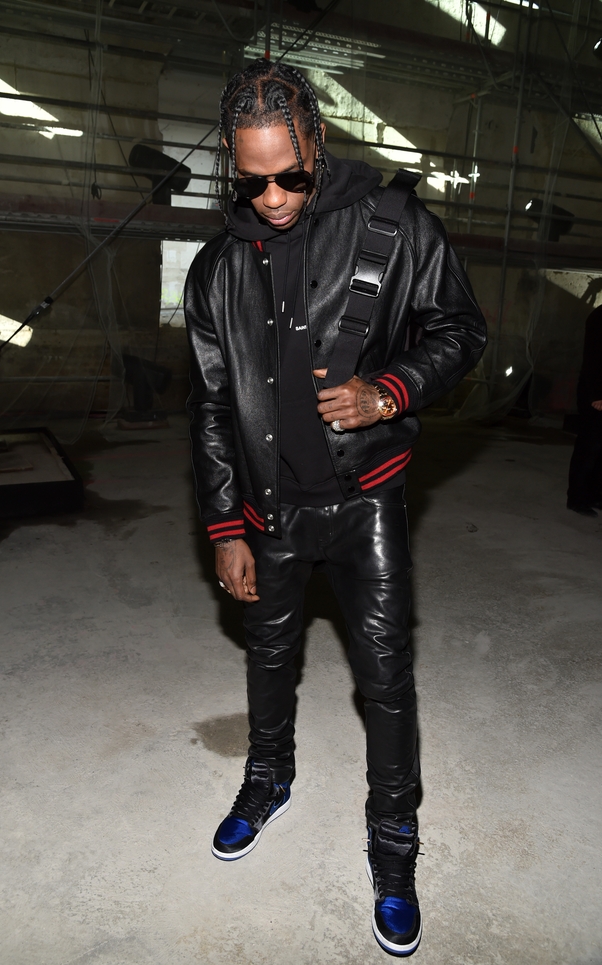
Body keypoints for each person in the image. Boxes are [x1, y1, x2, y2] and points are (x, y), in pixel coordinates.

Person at [185, 59, 487, 957]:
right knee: (269, 658)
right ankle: (266, 778)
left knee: (385, 680)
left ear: (317, 141)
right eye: (253, 179)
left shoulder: (393, 229)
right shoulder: (215, 269)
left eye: (292, 173)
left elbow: (461, 330)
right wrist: (225, 523)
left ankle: (394, 844)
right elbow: (208, 405)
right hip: (270, 509)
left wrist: (391, 390)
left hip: (367, 502)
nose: (273, 196)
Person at [567, 305, 602, 517]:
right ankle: (577, 498)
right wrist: (597, 394)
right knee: (590, 446)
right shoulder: (599, 317)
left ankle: (595, 495)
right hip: (595, 394)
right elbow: (593, 358)